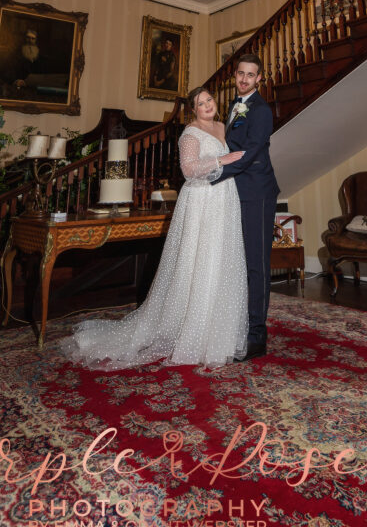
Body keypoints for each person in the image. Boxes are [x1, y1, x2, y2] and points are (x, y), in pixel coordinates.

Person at [61, 87, 246, 369]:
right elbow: (188, 169)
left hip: (224, 199)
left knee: (221, 261)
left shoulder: (223, 126)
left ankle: (216, 334)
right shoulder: (190, 133)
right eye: (200, 103)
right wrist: (222, 159)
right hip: (201, 201)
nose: (207, 105)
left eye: (209, 100)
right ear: (193, 109)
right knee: (198, 262)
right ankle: (191, 332)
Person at [215, 54, 280, 361]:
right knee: (237, 263)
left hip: (257, 193)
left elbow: (250, 152)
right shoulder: (234, 105)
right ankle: (239, 324)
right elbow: (229, 146)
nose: (244, 79)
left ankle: (257, 335)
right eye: (240, 73)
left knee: (257, 264)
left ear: (258, 79)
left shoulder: (262, 110)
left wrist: (214, 175)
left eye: (250, 75)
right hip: (235, 191)